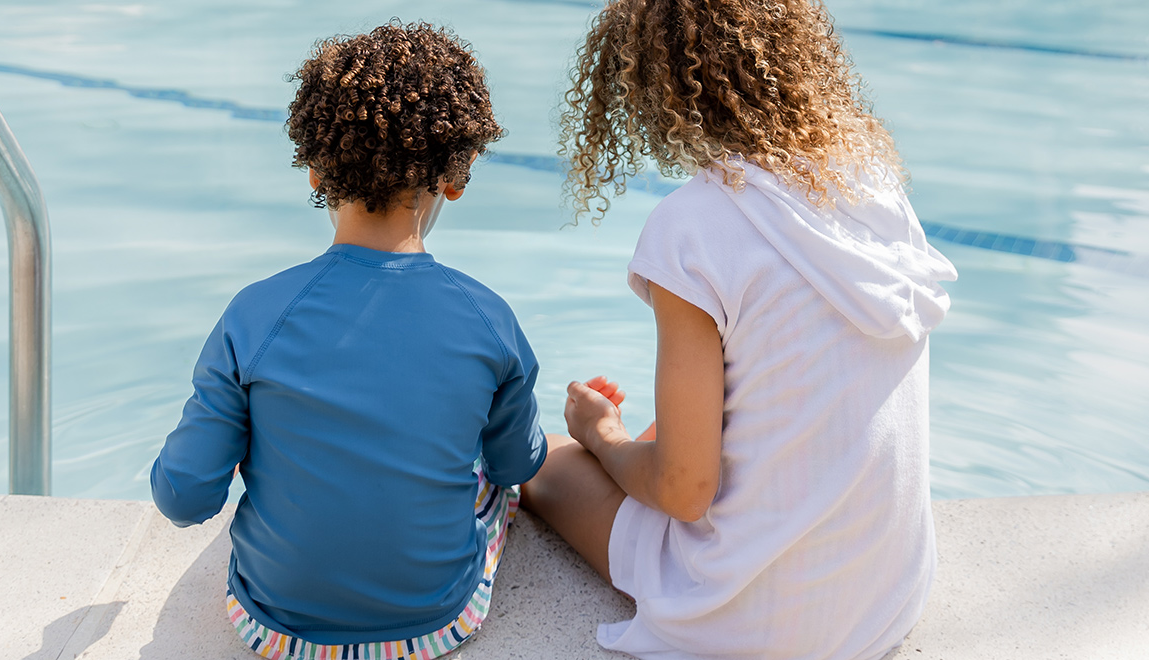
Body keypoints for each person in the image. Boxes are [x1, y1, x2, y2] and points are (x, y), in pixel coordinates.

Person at [520, 0, 958, 658]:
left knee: (544, 460)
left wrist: (602, 437)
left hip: (753, 621)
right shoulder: (873, 185)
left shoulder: (693, 227)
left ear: (655, 79)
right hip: (882, 600)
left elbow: (684, 492)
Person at [150, 21, 546, 660]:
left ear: (313, 172)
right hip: (435, 627)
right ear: (458, 174)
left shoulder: (254, 316)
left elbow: (184, 496)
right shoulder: (488, 318)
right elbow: (517, 465)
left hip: (273, 630)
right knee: (493, 488)